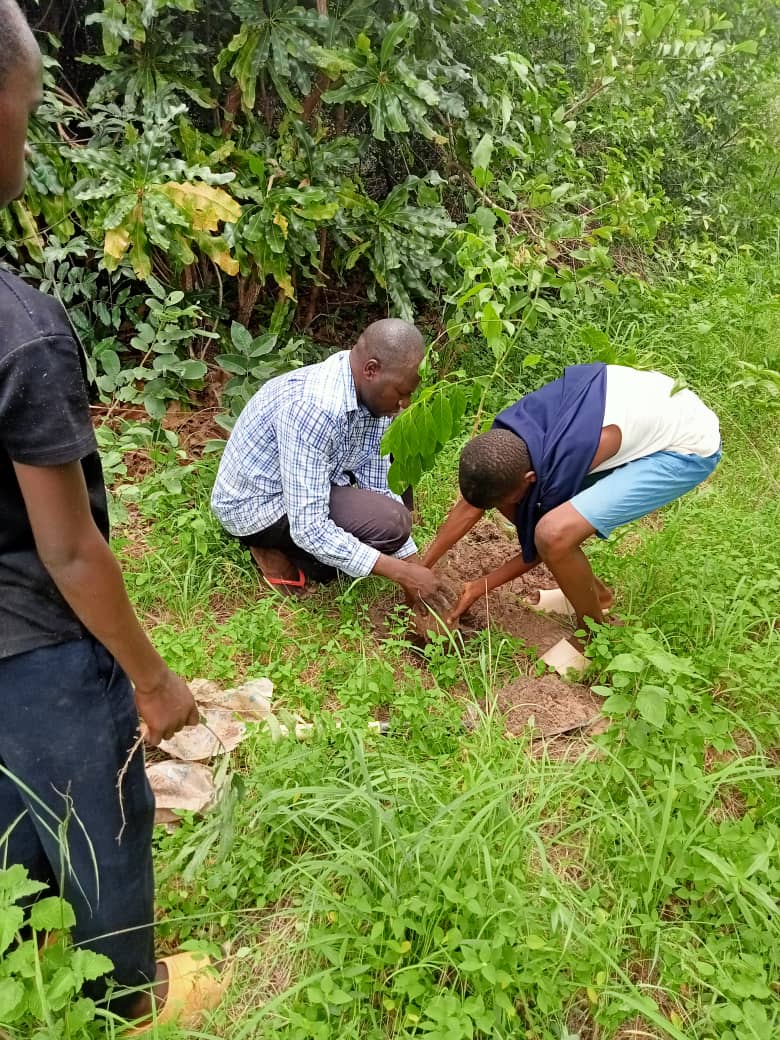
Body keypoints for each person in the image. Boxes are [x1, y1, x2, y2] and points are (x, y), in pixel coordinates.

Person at [0, 2, 226, 1029]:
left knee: (10, 805)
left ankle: (23, 958)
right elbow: (67, 548)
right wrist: (153, 676)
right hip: (35, 640)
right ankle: (125, 997)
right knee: (101, 812)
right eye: (27, 108)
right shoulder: (20, 334)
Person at [422, 362, 721, 644]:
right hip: (637, 404)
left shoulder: (568, 460)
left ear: (530, 477)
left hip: (685, 446)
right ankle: (597, 595)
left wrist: (479, 587)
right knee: (504, 494)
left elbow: (548, 542)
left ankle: (591, 635)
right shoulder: (509, 438)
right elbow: (478, 500)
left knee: (554, 534)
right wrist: (422, 568)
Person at [212, 319, 443, 604]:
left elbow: (378, 485)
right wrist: (402, 573)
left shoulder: (372, 396)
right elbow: (309, 528)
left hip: (301, 485)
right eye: (401, 392)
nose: (405, 403)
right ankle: (264, 546)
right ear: (371, 370)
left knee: (393, 521)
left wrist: (417, 572)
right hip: (255, 505)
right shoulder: (315, 407)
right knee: (375, 532)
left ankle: (304, 558)